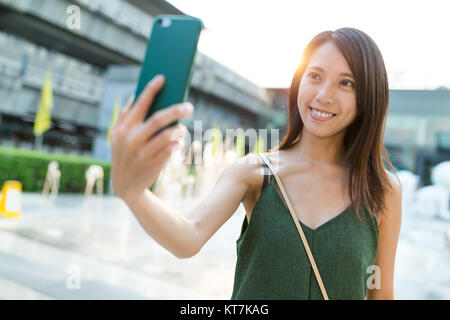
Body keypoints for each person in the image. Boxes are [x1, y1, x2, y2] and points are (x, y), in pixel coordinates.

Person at [110, 27, 402, 300]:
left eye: (346, 83)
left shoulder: (383, 189)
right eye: (314, 76)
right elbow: (188, 238)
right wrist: (134, 194)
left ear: (367, 97)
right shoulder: (254, 172)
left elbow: (381, 293)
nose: (324, 95)